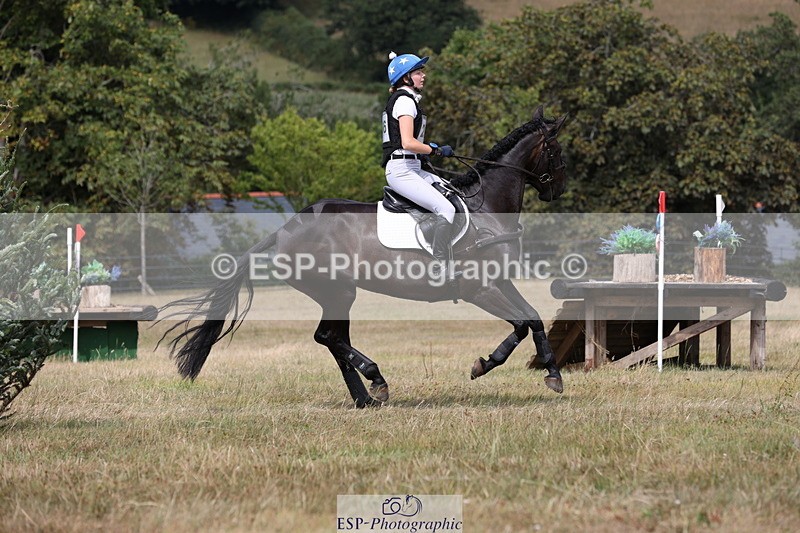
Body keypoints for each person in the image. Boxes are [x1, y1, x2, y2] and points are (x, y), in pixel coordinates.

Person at [382, 51, 457, 274]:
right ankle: (439, 267)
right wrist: (434, 150)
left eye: (422, 71)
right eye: (418, 72)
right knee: (446, 209)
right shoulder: (405, 102)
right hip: (401, 170)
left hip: (411, 166)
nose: (423, 75)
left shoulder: (407, 100)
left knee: (452, 192)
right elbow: (407, 142)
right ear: (406, 78)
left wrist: (423, 154)